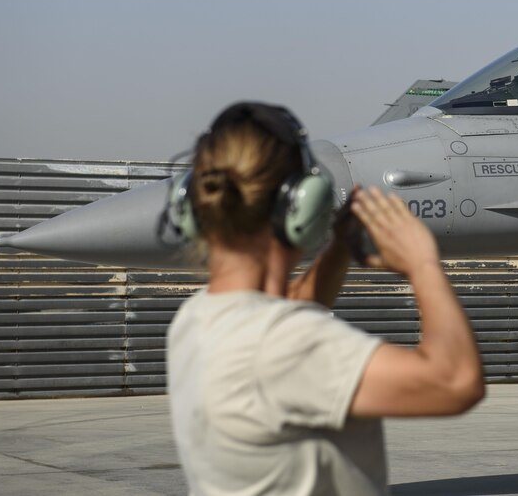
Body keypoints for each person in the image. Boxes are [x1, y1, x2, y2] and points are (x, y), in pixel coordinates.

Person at [166, 101, 484, 496]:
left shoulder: (195, 319)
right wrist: (422, 263)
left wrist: (340, 250)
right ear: (303, 203)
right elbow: (455, 382)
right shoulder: (286, 345)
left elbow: (288, 313)